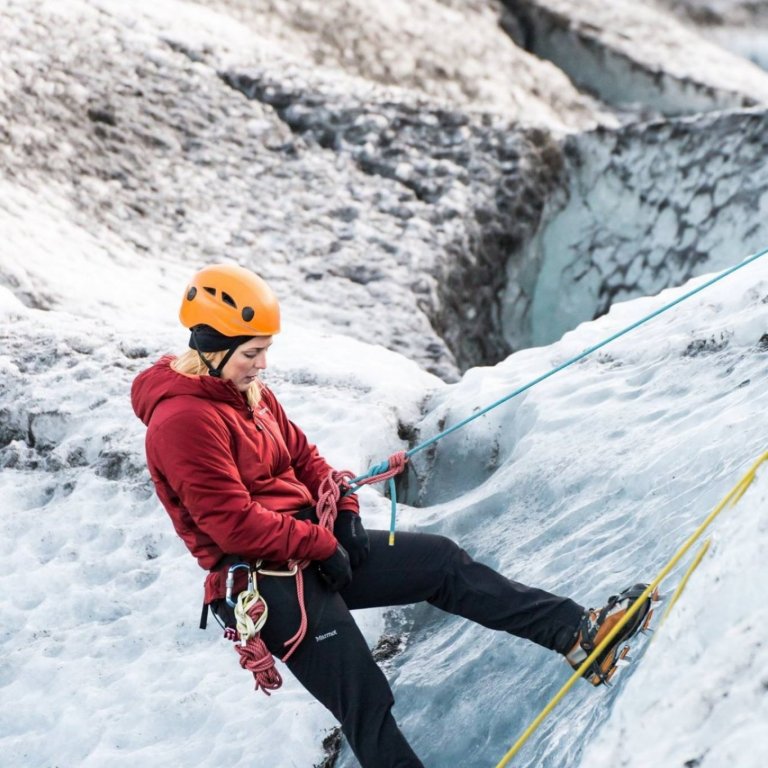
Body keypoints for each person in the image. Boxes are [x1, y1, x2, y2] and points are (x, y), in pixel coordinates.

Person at [131, 263, 656, 768]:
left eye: (265, 350)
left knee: (442, 564)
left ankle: (578, 635)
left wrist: (345, 513)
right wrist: (322, 544)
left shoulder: (247, 391)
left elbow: (305, 458)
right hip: (266, 583)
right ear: (213, 347)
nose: (263, 364)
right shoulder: (182, 422)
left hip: (307, 547)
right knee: (364, 698)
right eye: (252, 352)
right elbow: (233, 525)